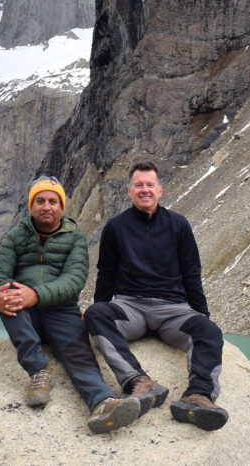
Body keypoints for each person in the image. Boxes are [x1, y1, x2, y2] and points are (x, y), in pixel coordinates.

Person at [0, 175, 140, 434]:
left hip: (62, 312)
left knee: (78, 353)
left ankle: (102, 402)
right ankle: (38, 371)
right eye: (40, 201)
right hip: (26, 316)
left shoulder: (75, 238)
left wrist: (36, 295)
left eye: (53, 201)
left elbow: (73, 280)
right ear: (31, 205)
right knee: (7, 291)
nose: (46, 206)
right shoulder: (16, 236)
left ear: (61, 207)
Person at [83, 161, 229, 431]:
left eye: (150, 185)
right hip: (130, 307)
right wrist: (97, 310)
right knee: (96, 314)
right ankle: (139, 381)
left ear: (160, 190)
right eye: (138, 185)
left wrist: (201, 316)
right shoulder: (115, 227)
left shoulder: (179, 225)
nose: (145, 190)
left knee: (209, 330)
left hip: (173, 309)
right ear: (129, 191)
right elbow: (106, 273)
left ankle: (198, 396)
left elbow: (192, 273)